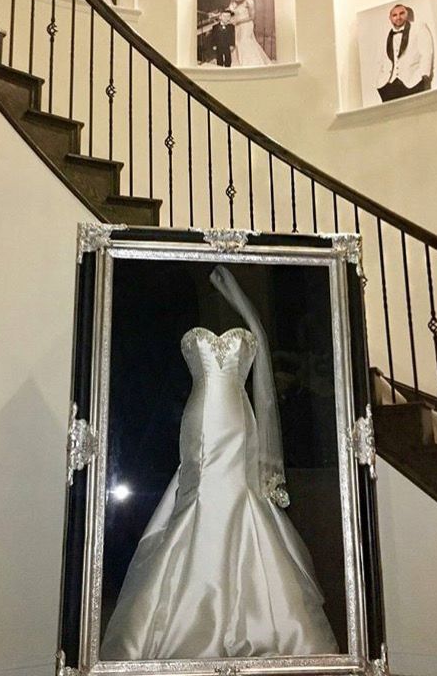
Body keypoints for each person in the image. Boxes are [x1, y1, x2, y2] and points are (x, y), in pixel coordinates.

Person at [100, 266, 338, 660]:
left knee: (238, 493)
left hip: (236, 416)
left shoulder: (250, 320)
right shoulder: (174, 300)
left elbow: (259, 382)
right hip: (200, 416)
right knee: (198, 492)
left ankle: (257, 619)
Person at [376, 3, 433, 102]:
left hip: (413, 82)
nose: (398, 17)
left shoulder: (419, 28)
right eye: (394, 15)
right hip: (388, 86)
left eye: (401, 13)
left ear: (406, 15)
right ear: (390, 18)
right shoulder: (386, 35)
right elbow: (382, 60)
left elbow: (426, 54)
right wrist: (380, 82)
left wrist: (424, 76)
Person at [228, 0, 271, 67]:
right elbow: (230, 11)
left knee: (244, 42)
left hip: (246, 25)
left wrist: (239, 21)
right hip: (237, 25)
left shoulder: (249, 2)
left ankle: (249, 63)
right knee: (237, 43)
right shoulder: (235, 1)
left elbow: (252, 17)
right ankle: (240, 62)